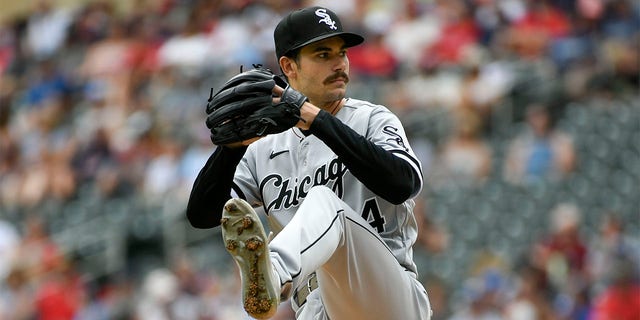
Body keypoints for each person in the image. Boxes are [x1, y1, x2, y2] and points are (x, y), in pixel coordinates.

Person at [186, 6, 431, 320]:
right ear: (289, 66)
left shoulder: (371, 118)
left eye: (342, 53)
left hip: (388, 297)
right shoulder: (264, 149)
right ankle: (271, 275)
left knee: (325, 204)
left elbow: (403, 185)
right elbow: (202, 215)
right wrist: (230, 150)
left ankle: (273, 271)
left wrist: (312, 117)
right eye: (323, 54)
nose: (339, 64)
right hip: (317, 309)